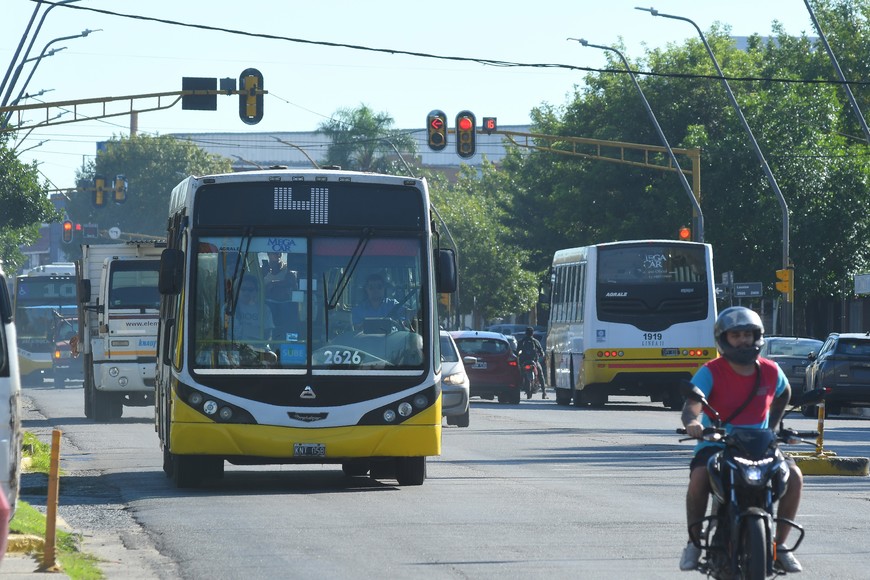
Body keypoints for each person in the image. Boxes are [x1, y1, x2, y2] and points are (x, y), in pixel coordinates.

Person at [679, 306, 803, 573]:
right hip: (718, 444)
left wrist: (772, 427)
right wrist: (693, 424)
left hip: (760, 445)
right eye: (736, 335)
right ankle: (694, 542)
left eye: (748, 334)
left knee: (795, 476)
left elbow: (784, 393)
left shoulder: (770, 370)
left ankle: (779, 546)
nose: (743, 340)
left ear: (757, 336)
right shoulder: (711, 371)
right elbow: (693, 404)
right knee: (700, 477)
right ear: (724, 339)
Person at [231, 277, 275, 342]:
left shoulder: (264, 309)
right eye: (243, 289)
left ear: (256, 291)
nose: (246, 292)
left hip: (257, 349)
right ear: (237, 290)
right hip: (232, 348)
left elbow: (267, 334)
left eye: (250, 289)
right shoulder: (229, 308)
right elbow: (225, 332)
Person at [517, 326, 546, 398]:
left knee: (518, 374)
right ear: (532, 333)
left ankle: (516, 388)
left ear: (525, 333)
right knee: (541, 374)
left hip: (523, 362)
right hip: (534, 362)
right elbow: (541, 351)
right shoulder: (535, 341)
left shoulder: (521, 341)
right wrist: (541, 354)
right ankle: (544, 392)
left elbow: (517, 351)